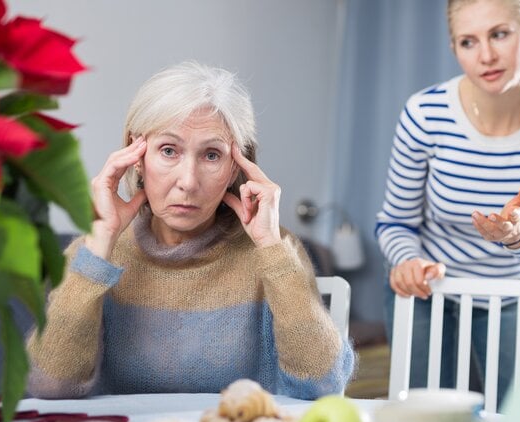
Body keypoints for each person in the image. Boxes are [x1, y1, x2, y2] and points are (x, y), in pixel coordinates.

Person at [26, 61, 354, 399]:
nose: (188, 182)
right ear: (136, 156)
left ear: (235, 168)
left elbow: (324, 387)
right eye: (169, 151)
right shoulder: (94, 251)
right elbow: (50, 387)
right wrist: (99, 246)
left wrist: (272, 248)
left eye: (212, 155)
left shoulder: (273, 248)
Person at [376, 0, 520, 400]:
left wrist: (519, 236)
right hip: (429, 292)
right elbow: (396, 223)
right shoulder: (424, 113)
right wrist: (409, 262)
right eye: (468, 42)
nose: (486, 55)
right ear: (454, 48)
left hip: (514, 294)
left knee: (519, 418)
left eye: (499, 34)